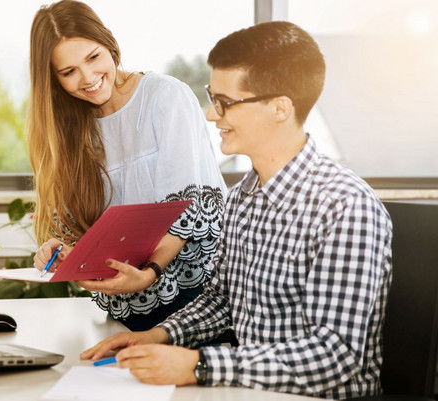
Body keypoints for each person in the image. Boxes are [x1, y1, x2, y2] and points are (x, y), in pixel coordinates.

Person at [80, 21, 393, 399]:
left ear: (280, 108)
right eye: (214, 98)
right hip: (250, 390)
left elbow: (335, 356)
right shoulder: (243, 197)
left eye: (225, 103)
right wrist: (156, 336)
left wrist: (200, 366)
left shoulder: (346, 207)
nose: (212, 116)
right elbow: (223, 301)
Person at [27, 0, 227, 331]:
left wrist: (148, 273)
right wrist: (62, 251)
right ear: (54, 80)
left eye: (93, 58)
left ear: (109, 42)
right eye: (69, 72)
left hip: (194, 300)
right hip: (121, 310)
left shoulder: (165, 97)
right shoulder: (67, 131)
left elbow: (185, 210)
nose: (88, 78)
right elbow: (89, 234)